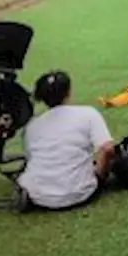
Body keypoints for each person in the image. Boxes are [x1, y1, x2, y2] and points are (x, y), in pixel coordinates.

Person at [17, 71, 116, 211]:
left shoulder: (31, 125)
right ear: (68, 92)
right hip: (81, 192)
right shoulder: (88, 113)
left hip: (38, 197)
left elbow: (32, 157)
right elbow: (107, 149)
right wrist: (101, 175)